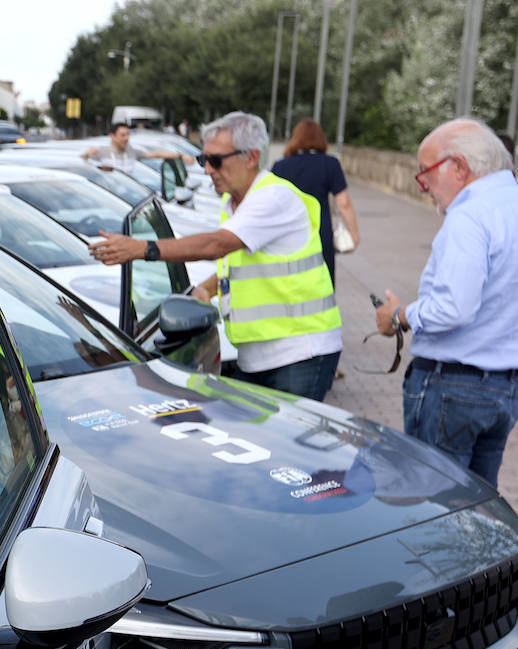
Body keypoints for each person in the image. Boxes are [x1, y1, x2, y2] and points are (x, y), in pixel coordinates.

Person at [90, 111, 341, 401]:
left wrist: (142, 249)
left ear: (251, 157)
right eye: (202, 160)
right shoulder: (234, 201)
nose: (207, 170)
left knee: (288, 446)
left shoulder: (272, 198)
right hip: (259, 355)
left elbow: (216, 245)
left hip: (300, 353)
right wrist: (206, 288)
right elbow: (238, 264)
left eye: (216, 160)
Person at [373, 118, 518, 486]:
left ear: (459, 167)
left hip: (454, 388)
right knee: (479, 510)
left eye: (425, 173)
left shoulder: (469, 215)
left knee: (432, 507)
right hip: (505, 388)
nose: (423, 187)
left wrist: (400, 315)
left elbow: (454, 308)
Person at [272, 120, 360, 288]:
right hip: (320, 234)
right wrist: (354, 235)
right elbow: (344, 202)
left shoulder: (281, 166)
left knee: (289, 284)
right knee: (322, 285)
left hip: (287, 234)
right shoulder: (330, 164)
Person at [80, 122, 194, 172]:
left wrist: (181, 155)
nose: (126, 138)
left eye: (128, 134)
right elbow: (80, 161)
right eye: (122, 135)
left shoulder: (131, 152)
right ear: (112, 136)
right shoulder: (101, 152)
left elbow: (156, 154)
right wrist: (87, 154)